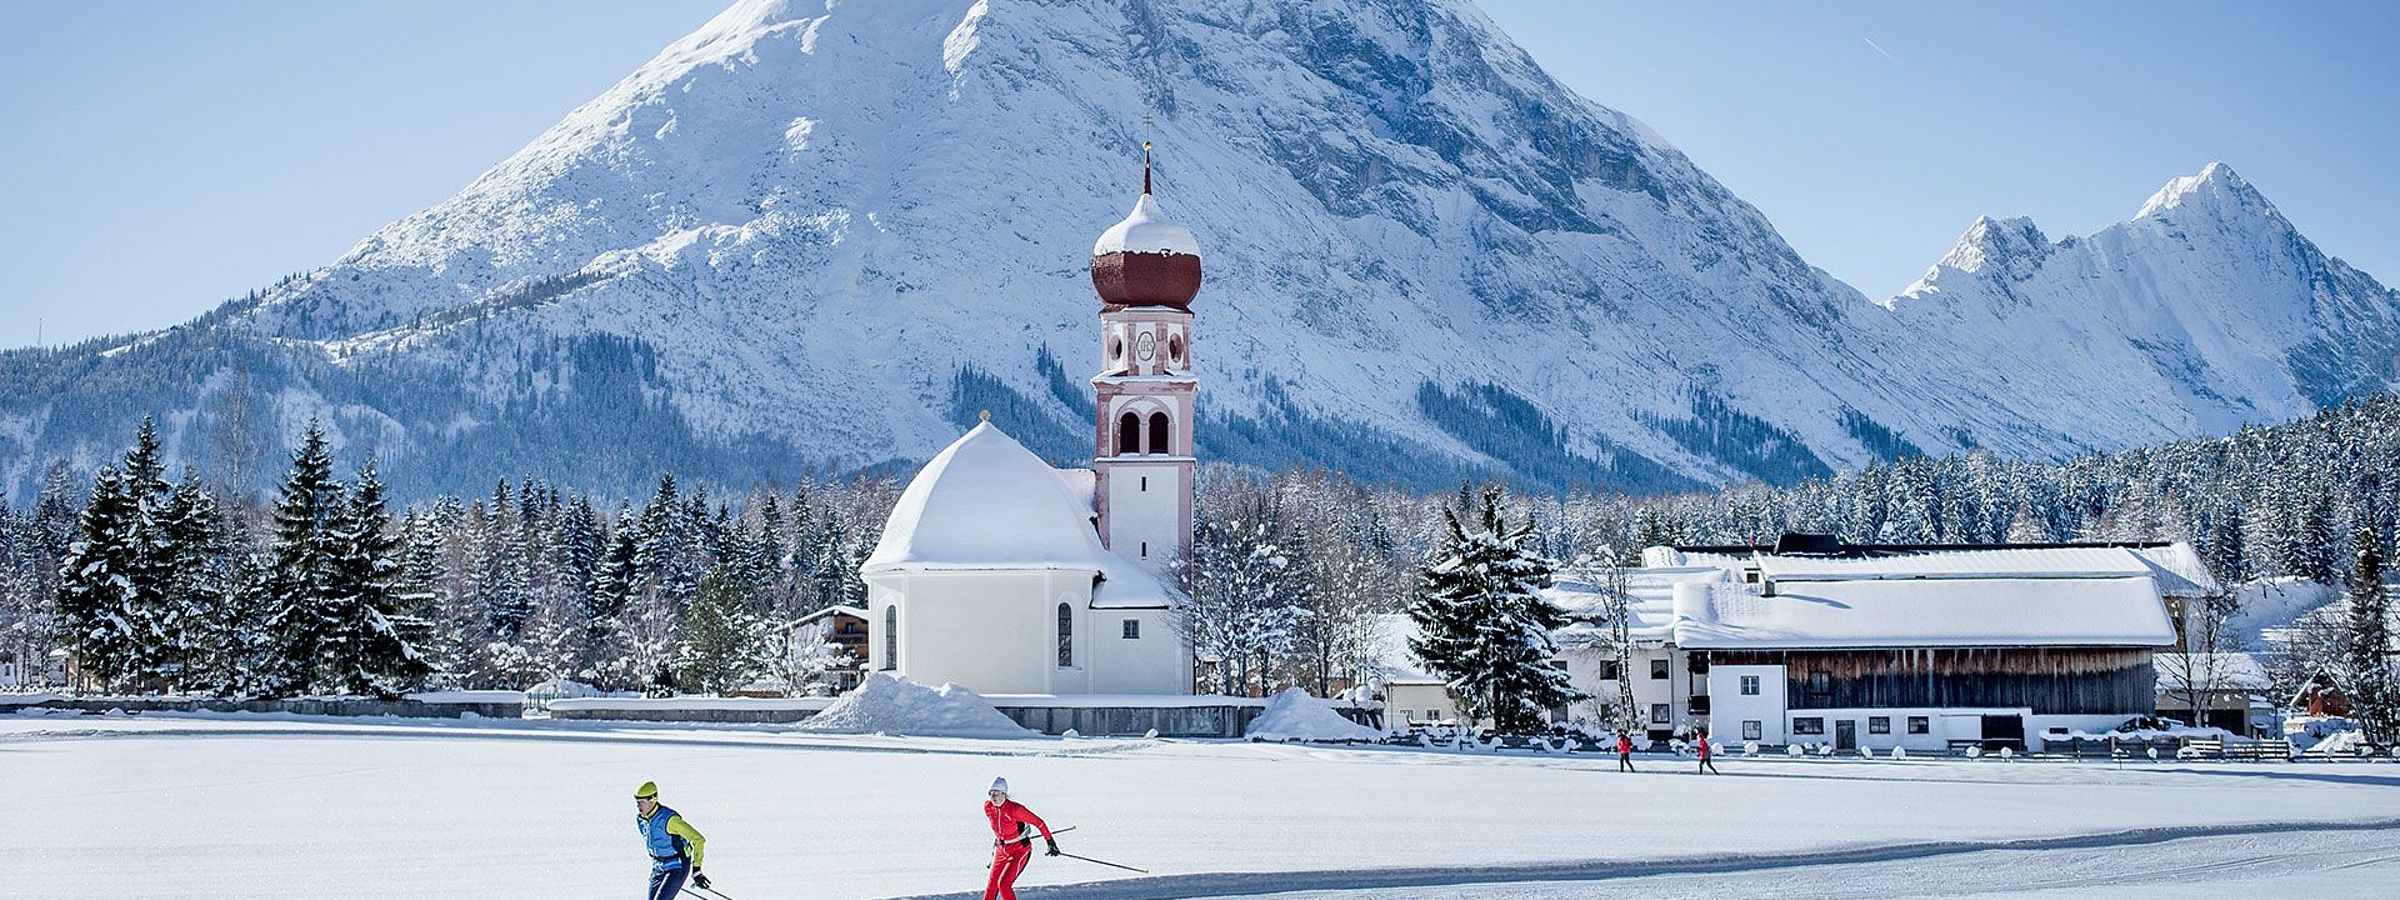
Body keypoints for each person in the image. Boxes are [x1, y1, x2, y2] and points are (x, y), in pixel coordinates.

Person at [984, 777, 1058, 900]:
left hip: (1019, 850)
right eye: (990, 793)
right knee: (992, 886)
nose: (992, 797)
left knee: (1003, 885)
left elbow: (1039, 823)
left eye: (995, 793)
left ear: (1004, 793)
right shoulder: (988, 807)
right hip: (1001, 849)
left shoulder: (1016, 809)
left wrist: (1050, 842)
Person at [634, 781, 709, 900]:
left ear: (653, 799)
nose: (638, 806)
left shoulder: (670, 820)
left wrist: (696, 869)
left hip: (677, 866)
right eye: (637, 802)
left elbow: (698, 839)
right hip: (658, 867)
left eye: (642, 802)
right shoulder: (641, 820)